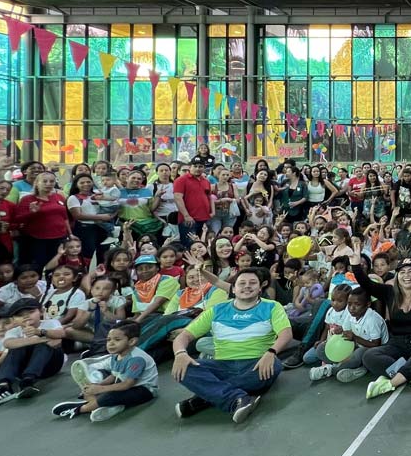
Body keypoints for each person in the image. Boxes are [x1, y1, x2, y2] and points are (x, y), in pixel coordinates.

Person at [170, 268, 292, 424]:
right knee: (184, 368)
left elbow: (286, 333)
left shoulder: (272, 306)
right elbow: (183, 336)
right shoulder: (217, 310)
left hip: (256, 363)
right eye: (242, 283)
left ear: (260, 288)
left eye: (252, 283)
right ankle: (236, 399)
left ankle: (205, 397)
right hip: (222, 365)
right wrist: (180, 354)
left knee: (274, 365)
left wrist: (271, 352)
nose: (247, 286)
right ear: (234, 288)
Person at [50, 322, 158, 422]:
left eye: (117, 340)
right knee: (98, 389)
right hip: (125, 385)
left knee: (111, 395)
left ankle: (81, 408)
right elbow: (114, 375)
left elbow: (127, 384)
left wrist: (100, 389)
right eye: (108, 340)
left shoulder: (137, 359)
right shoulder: (116, 355)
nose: (111, 343)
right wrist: (97, 386)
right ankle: (110, 406)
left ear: (131, 341)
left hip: (145, 390)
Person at [0, 297, 64, 410]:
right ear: (13, 319)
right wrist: (40, 339)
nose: (26, 317)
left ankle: (28, 380)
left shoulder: (50, 323)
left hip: (50, 365)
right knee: (16, 348)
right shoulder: (14, 331)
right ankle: (2, 387)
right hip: (25, 366)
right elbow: (8, 344)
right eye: (20, 315)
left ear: (41, 311)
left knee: (43, 346)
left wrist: (40, 332)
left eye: (31, 312)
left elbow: (60, 335)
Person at [174, 159, 215, 246]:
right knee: (189, 245)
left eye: (200, 166)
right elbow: (178, 198)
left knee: (203, 245)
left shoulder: (206, 181)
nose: (197, 168)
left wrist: (212, 212)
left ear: (204, 168)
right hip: (189, 220)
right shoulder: (181, 180)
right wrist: (186, 215)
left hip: (204, 218)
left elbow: (209, 197)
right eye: (195, 166)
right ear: (190, 167)